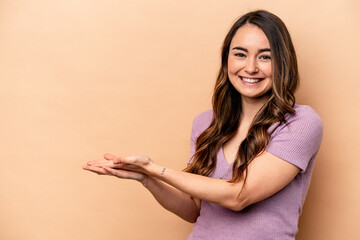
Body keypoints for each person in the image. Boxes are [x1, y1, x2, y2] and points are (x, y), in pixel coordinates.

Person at [83, 10, 323, 240]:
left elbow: (240, 195)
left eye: (265, 57)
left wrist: (157, 169)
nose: (250, 67)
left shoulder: (300, 122)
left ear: (283, 62)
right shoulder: (205, 123)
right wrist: (147, 178)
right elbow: (193, 209)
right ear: (226, 59)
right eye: (240, 54)